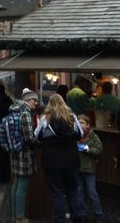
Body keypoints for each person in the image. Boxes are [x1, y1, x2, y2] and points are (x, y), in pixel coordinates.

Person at [34, 93, 84, 223]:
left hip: (52, 161)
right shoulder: (71, 117)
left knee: (57, 193)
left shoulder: (45, 118)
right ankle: (78, 217)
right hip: (71, 160)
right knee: (73, 190)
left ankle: (59, 220)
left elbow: (37, 136)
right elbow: (80, 134)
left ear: (50, 104)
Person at [9, 90, 39, 222]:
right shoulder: (25, 113)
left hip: (15, 151)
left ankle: (15, 215)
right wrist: (39, 142)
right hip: (24, 154)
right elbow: (29, 138)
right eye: (34, 100)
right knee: (23, 185)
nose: (36, 103)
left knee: (16, 183)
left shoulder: (14, 110)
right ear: (27, 100)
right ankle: (20, 217)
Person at [77, 114, 103, 222]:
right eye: (78, 122)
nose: (80, 124)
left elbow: (99, 150)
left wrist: (87, 149)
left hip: (89, 169)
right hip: (78, 169)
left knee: (92, 193)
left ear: (88, 125)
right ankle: (83, 214)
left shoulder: (93, 136)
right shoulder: (75, 135)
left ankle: (99, 215)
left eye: (82, 123)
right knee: (80, 193)